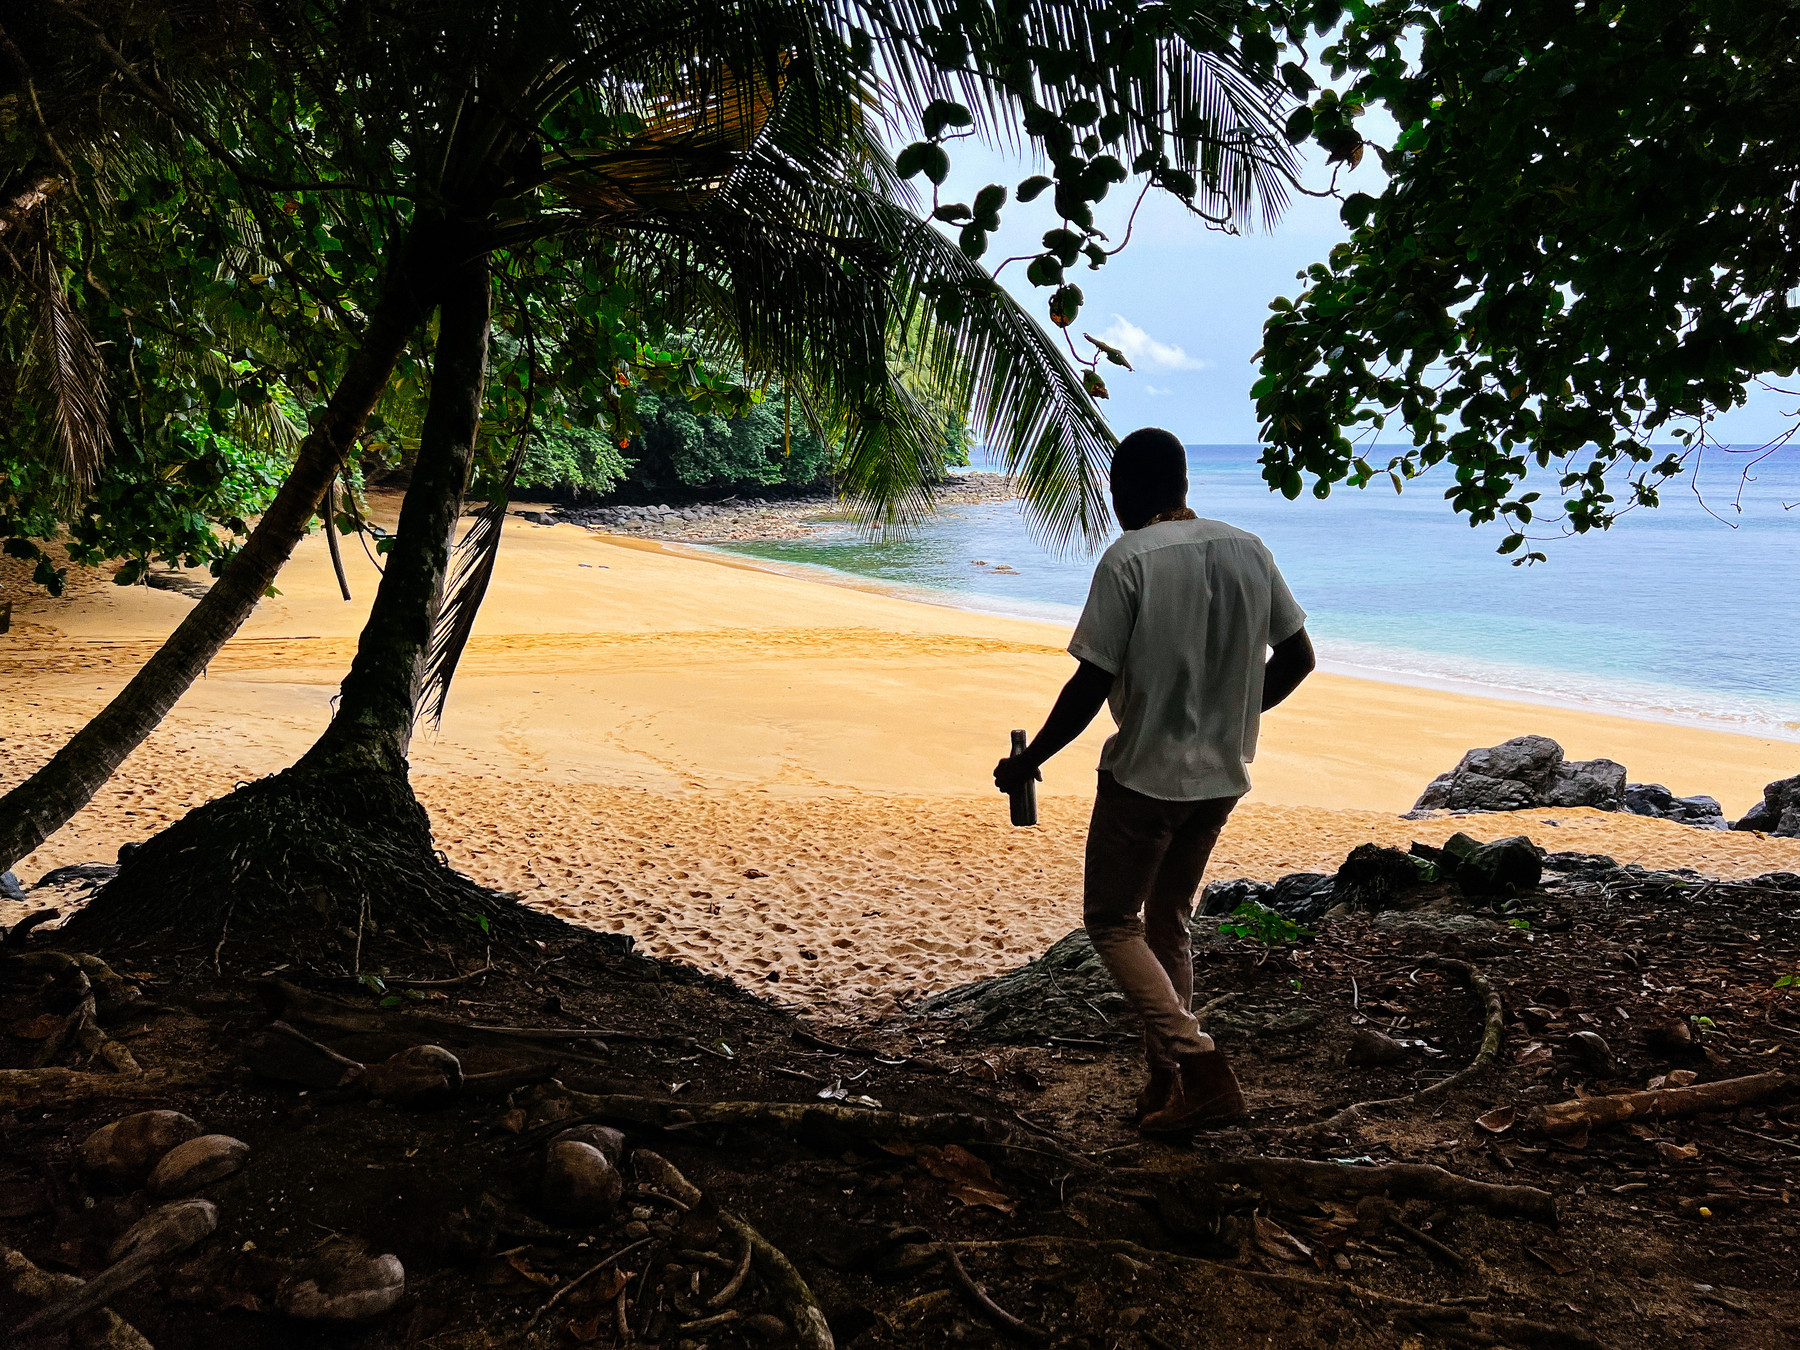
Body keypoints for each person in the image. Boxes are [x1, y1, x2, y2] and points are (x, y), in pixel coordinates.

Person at [993, 428, 1315, 1133]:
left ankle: (1200, 1065)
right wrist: (1229, 714)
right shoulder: (1249, 550)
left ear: (1123, 489)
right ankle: (1166, 1086)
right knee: (1168, 922)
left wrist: (1031, 758)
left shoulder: (1128, 559)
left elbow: (1092, 681)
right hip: (1222, 778)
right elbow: (1298, 658)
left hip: (1144, 776)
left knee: (1111, 922)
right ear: (1184, 482)